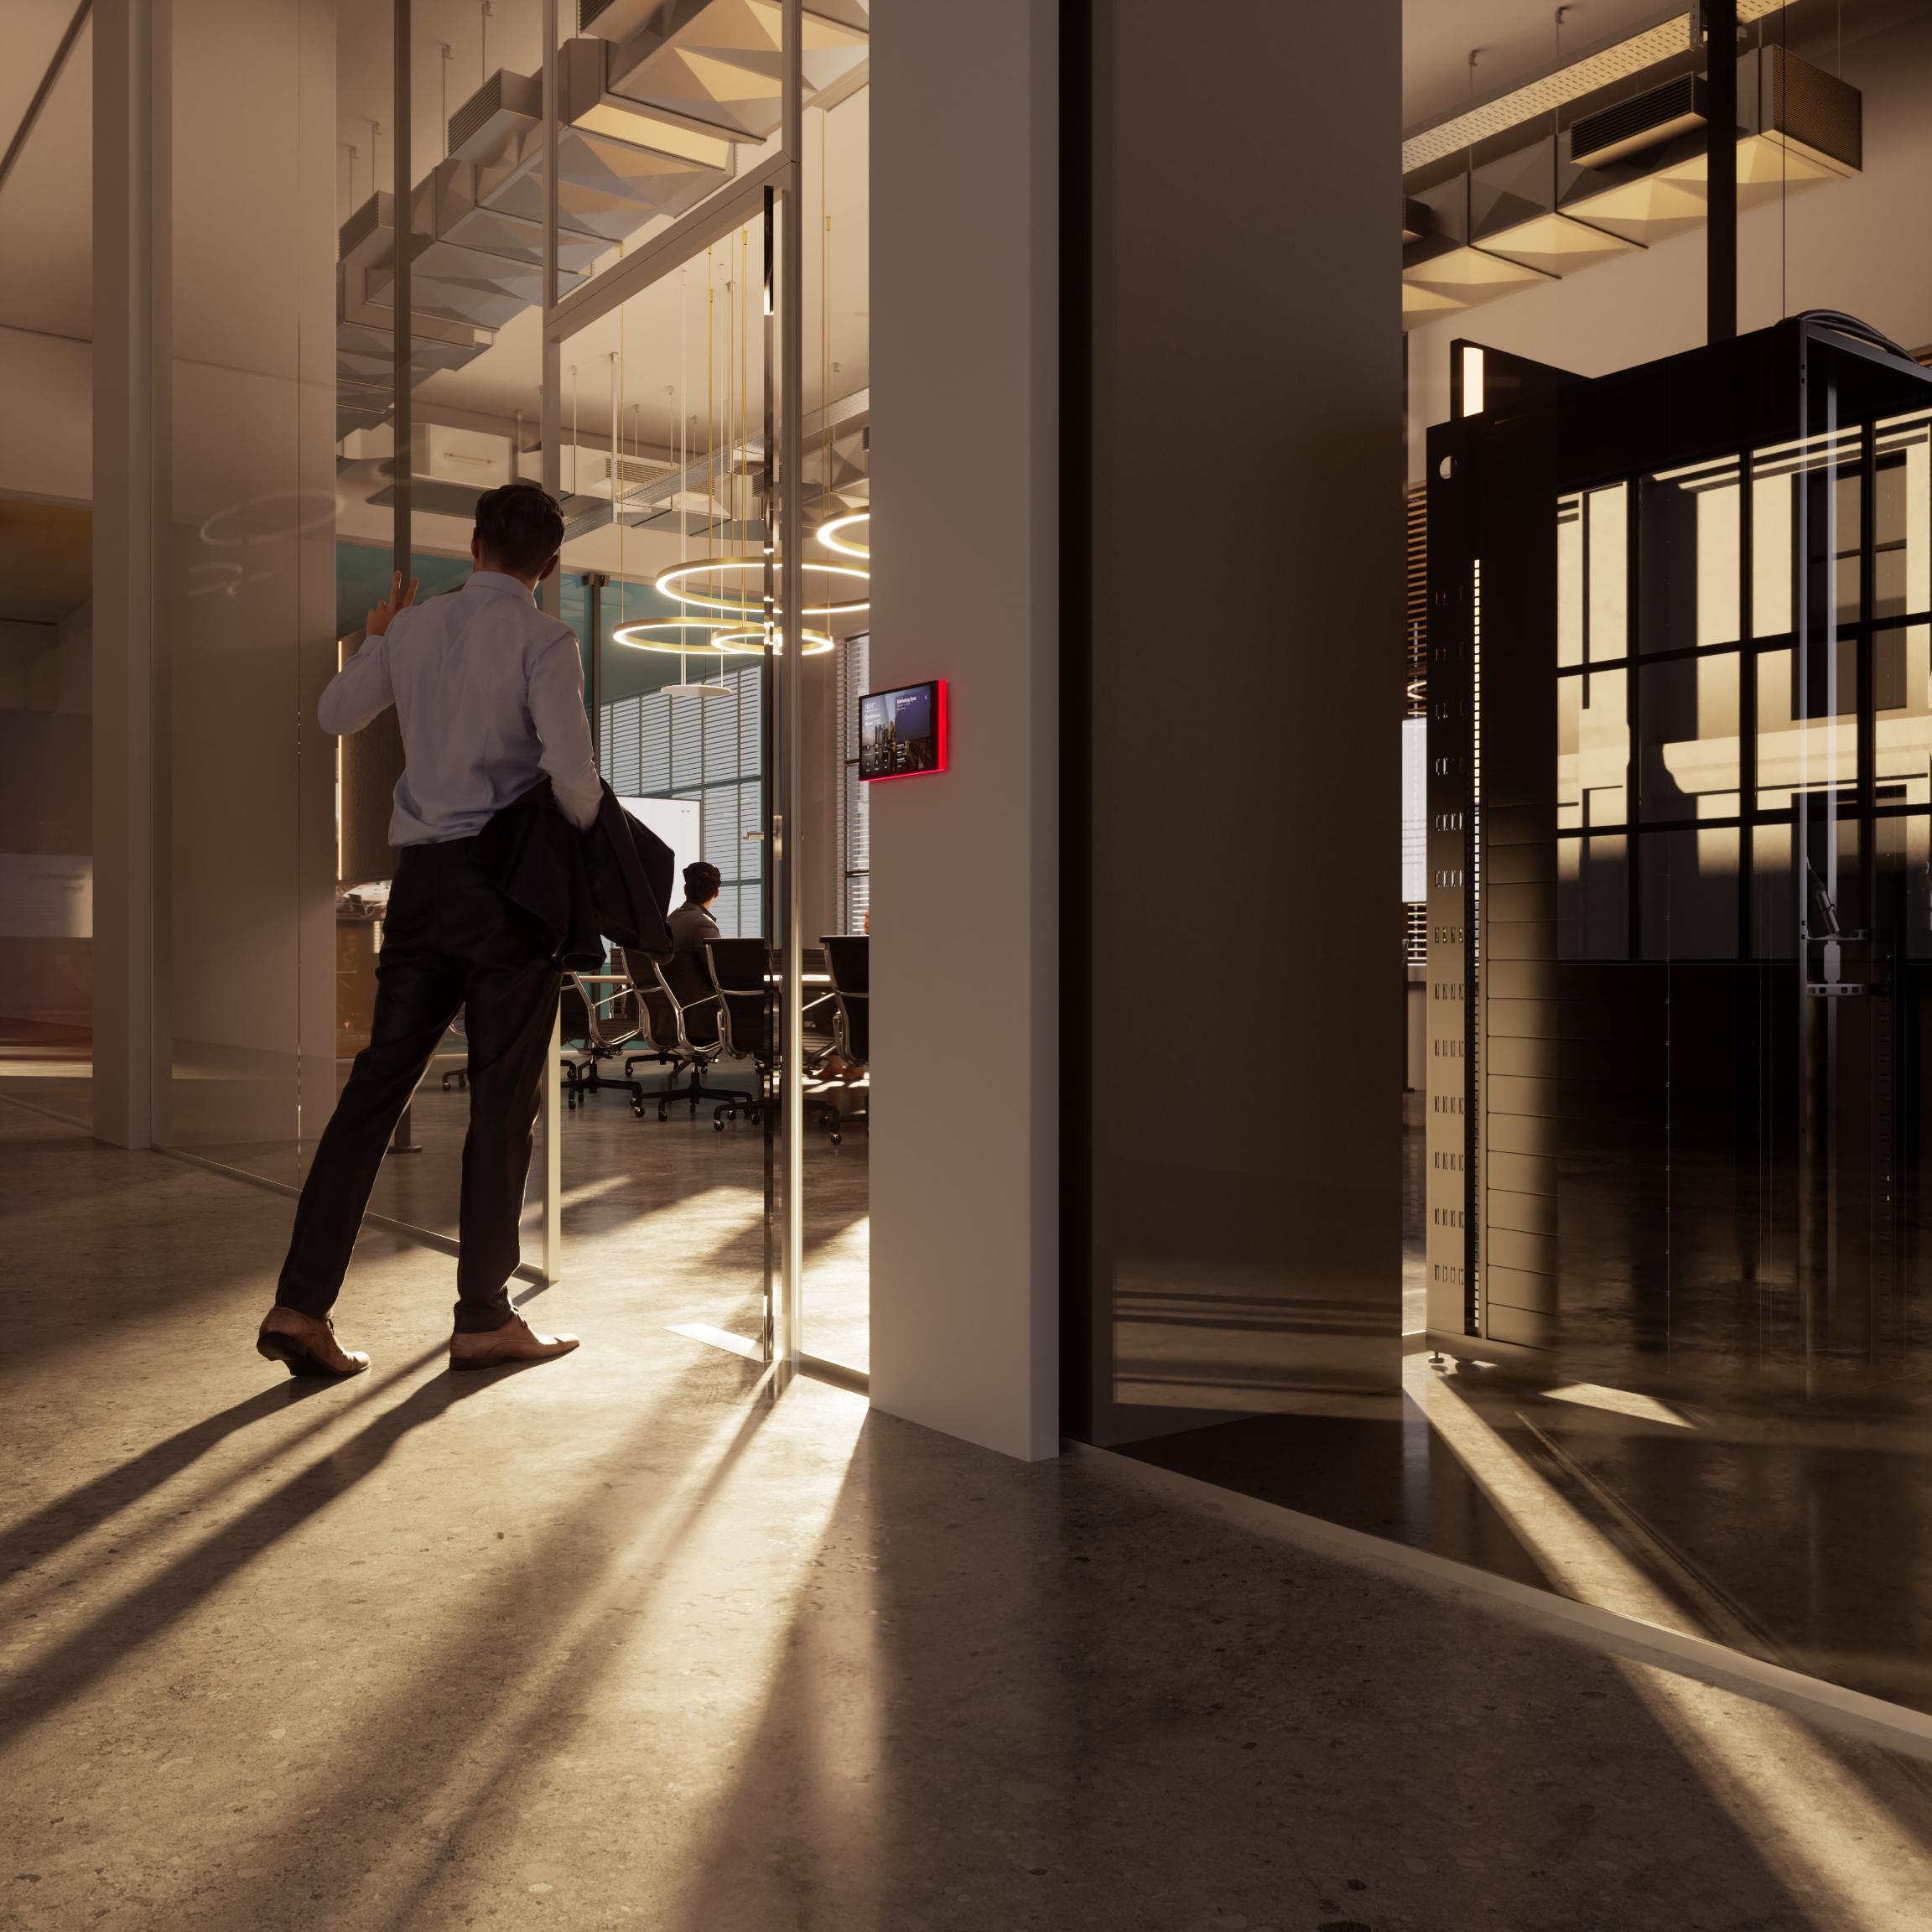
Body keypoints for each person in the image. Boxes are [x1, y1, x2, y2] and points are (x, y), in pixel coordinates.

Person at [256, 480, 594, 1379]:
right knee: (500, 1105)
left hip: (421, 890)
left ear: (474, 545)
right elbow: (573, 783)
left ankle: (300, 1306)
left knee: (372, 1094)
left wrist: (377, 640)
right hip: (506, 895)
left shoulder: (410, 630)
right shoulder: (545, 638)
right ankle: (483, 1317)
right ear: (550, 566)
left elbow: (333, 715)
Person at [639, 861, 724, 1046]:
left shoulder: (669, 921)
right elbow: (720, 974)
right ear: (716, 893)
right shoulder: (703, 924)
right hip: (697, 1016)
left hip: (668, 1016)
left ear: (686, 889)